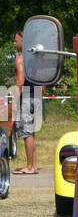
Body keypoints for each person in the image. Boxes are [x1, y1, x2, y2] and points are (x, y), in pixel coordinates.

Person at [12, 30, 39, 174]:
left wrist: (15, 101)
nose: (14, 43)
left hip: (26, 97)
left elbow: (20, 82)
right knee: (31, 133)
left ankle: (29, 167)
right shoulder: (36, 58)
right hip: (35, 95)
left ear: (24, 42)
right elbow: (43, 81)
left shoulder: (21, 59)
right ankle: (33, 165)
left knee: (26, 133)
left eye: (16, 41)